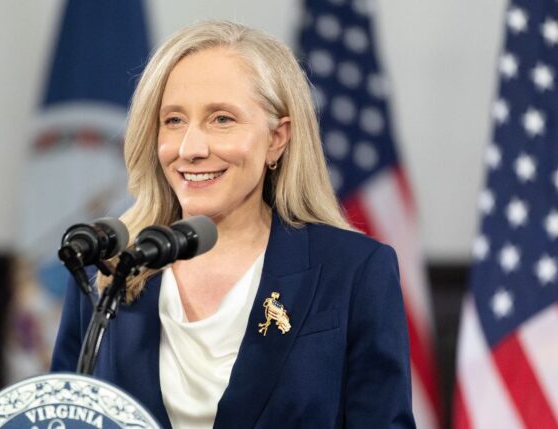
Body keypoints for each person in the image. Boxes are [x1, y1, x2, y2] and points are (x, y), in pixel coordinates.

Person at [51, 20, 415, 429]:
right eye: (173, 121)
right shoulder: (108, 269)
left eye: (221, 119)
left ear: (277, 138)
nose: (191, 149)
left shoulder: (352, 271)